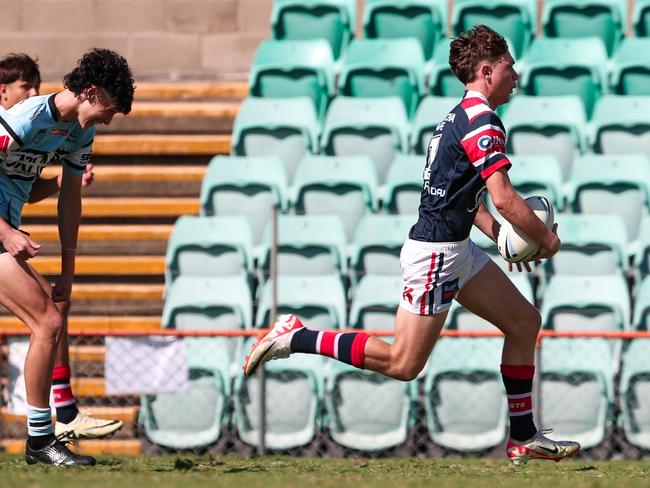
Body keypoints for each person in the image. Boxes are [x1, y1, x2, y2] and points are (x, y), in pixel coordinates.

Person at [243, 25, 581, 465]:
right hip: (437, 257)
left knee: (524, 323)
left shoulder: (458, 118)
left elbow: (471, 199)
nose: (515, 74)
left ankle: (523, 436)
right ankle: (298, 336)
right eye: (508, 66)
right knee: (403, 364)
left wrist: (499, 235)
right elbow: (504, 198)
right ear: (486, 71)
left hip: (456, 250)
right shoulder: (481, 121)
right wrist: (547, 240)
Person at [0, 48, 134, 465]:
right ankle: (41, 440)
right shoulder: (24, 118)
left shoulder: (79, 133)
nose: (110, 119)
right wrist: (5, 232)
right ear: (90, 92)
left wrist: (68, 272)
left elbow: (70, 198)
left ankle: (56, 423)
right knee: (48, 320)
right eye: (109, 108)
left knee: (54, 310)